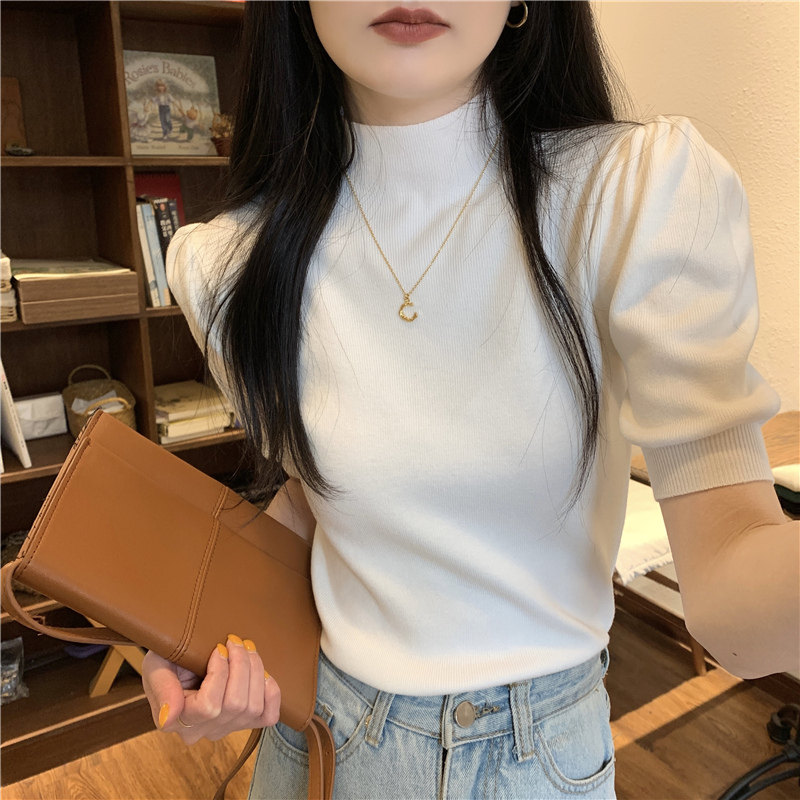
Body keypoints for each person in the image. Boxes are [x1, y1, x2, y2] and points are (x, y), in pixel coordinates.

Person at [143, 2, 800, 798]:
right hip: (317, 742)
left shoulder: (636, 196)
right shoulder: (230, 264)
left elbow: (731, 578)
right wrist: (195, 631)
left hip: (533, 760)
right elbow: (318, 501)